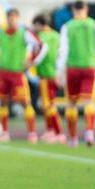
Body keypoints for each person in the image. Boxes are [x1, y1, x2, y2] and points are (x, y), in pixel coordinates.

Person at [56, 0, 95, 147]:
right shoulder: (93, 24)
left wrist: (59, 71)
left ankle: (73, 139)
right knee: (89, 101)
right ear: (86, 9)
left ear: (73, 10)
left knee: (71, 103)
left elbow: (63, 50)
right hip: (89, 67)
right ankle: (89, 131)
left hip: (73, 68)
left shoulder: (67, 26)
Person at [0, 8, 45, 144]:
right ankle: (5, 133)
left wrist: (31, 61)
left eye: (13, 17)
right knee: (2, 103)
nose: (11, 20)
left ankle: (32, 133)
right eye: (9, 17)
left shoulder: (24, 33)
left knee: (25, 102)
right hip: (3, 73)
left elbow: (39, 46)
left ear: (18, 18)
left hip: (17, 74)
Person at [31, 14, 64, 143]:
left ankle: (57, 132)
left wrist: (31, 63)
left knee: (48, 105)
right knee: (49, 104)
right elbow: (62, 54)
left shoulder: (40, 37)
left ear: (39, 24)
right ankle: (50, 130)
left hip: (45, 75)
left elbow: (39, 53)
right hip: (55, 74)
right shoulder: (57, 35)